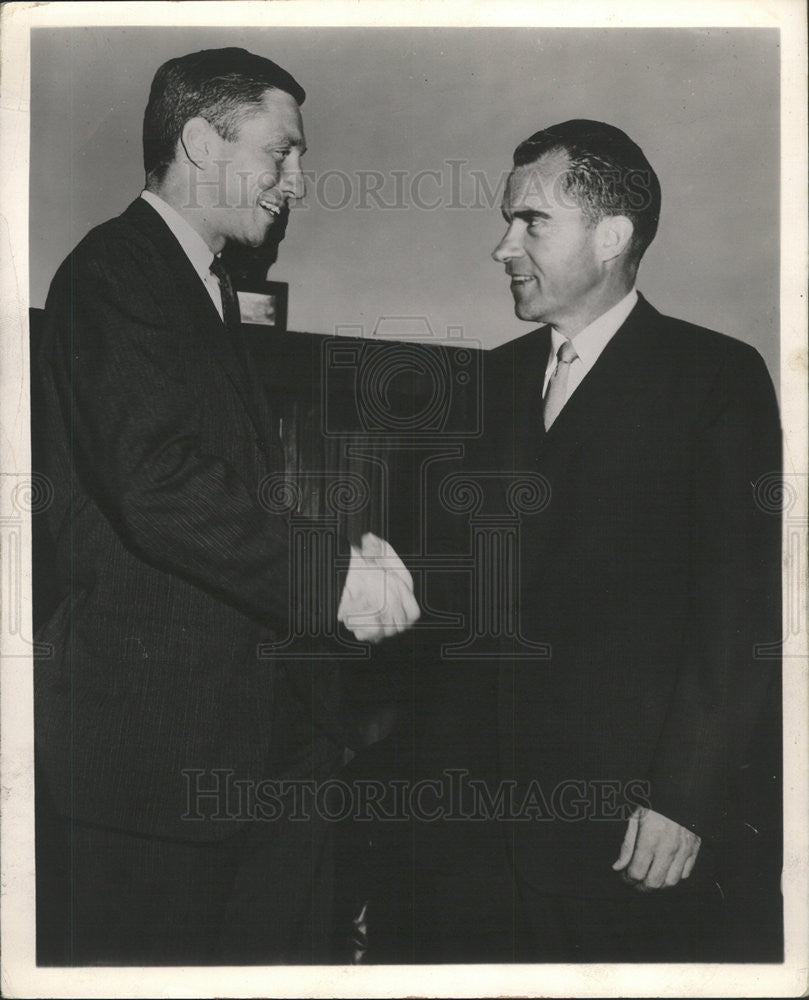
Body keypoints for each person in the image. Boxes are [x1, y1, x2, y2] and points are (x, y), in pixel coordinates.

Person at [32, 47, 419, 966]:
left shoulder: (197, 284)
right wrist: (336, 580)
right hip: (153, 773)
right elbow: (160, 487)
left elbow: (216, 499)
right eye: (281, 152)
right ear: (201, 143)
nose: (295, 180)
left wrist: (342, 554)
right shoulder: (116, 271)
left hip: (233, 758)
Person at [416, 119, 782, 962]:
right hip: (470, 837)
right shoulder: (489, 382)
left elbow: (741, 610)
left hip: (623, 833)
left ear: (612, 236)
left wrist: (683, 798)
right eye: (507, 221)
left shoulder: (713, 379)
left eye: (530, 221)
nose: (501, 246)